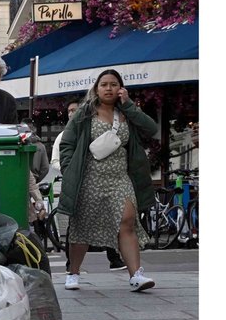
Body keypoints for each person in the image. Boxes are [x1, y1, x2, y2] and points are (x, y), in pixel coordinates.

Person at [57, 69, 158, 292]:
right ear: (96, 88)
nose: (109, 88)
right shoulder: (84, 114)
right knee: (82, 227)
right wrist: (69, 169)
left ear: (121, 88)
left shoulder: (127, 113)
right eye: (104, 84)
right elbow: (67, 144)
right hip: (89, 178)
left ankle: (136, 275)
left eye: (114, 84)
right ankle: (73, 273)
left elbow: (152, 129)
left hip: (120, 177)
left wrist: (129, 104)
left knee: (128, 222)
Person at [52, 98, 127, 271]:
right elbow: (56, 160)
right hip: (77, 183)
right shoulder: (63, 136)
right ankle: (71, 265)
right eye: (69, 110)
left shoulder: (95, 129)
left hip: (100, 181)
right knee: (77, 223)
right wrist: (71, 171)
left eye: (75, 110)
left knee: (109, 217)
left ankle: (114, 258)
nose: (72, 113)